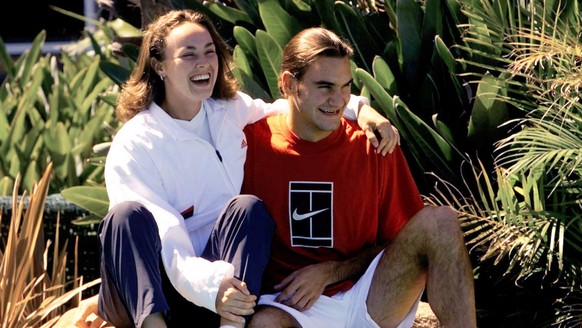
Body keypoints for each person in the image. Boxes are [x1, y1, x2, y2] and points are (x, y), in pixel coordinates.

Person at [60, 9, 399, 328]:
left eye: (209, 51)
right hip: (156, 287)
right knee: (126, 217)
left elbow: (292, 104)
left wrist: (362, 109)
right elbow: (169, 241)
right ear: (160, 65)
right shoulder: (135, 144)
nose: (203, 62)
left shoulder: (228, 112)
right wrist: (213, 287)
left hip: (219, 288)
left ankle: (232, 324)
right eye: (188, 54)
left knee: (248, 209)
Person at [241, 27, 477, 328]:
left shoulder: (374, 145)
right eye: (325, 86)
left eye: (345, 87)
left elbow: (396, 243)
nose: (337, 100)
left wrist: (332, 271)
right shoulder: (250, 145)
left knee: (441, 222)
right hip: (289, 306)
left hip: (368, 295)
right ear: (289, 84)